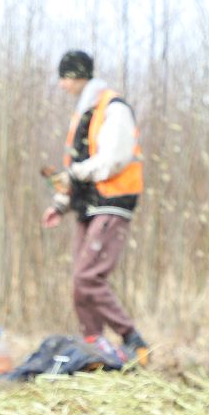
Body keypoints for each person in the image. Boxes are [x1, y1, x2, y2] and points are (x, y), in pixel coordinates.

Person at [41, 50, 150, 366]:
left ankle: (134, 340)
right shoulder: (83, 113)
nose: (61, 85)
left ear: (76, 76)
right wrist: (60, 205)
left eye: (64, 78)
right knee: (79, 281)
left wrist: (75, 173)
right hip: (88, 206)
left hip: (112, 203)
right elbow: (73, 166)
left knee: (88, 277)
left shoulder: (113, 108)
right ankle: (94, 348)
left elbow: (113, 159)